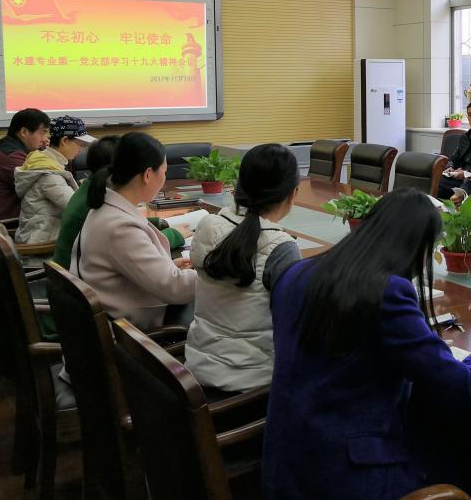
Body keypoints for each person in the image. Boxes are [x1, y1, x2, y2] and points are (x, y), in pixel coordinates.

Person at [263, 188, 471, 500]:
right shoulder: (386, 291)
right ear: (417, 248)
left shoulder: (294, 274)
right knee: (460, 497)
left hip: (285, 471)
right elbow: (461, 388)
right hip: (344, 487)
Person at [185, 144, 302, 393]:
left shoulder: (208, 224)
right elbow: (296, 325)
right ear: (293, 193)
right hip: (254, 382)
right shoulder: (281, 247)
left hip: (199, 367)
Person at [72, 132, 197, 329]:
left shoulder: (104, 207)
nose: (164, 178)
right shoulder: (120, 227)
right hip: (131, 329)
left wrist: (169, 266)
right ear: (148, 175)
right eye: (163, 172)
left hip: (119, 309)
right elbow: (175, 289)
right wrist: (213, 273)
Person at [53, 136, 186, 270]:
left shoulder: (92, 190)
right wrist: (173, 234)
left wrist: (159, 223)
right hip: (78, 278)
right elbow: (134, 246)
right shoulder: (99, 202)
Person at [14, 115, 92, 246]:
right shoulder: (49, 175)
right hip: (42, 246)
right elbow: (77, 208)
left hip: (40, 237)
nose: (82, 149)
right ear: (65, 141)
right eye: (80, 144)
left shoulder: (43, 162)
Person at [0, 107, 50, 219]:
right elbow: (44, 187)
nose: (45, 139)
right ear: (24, 132)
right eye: (42, 133)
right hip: (6, 221)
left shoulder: (8, 146)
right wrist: (53, 153)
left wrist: (43, 151)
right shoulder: (13, 157)